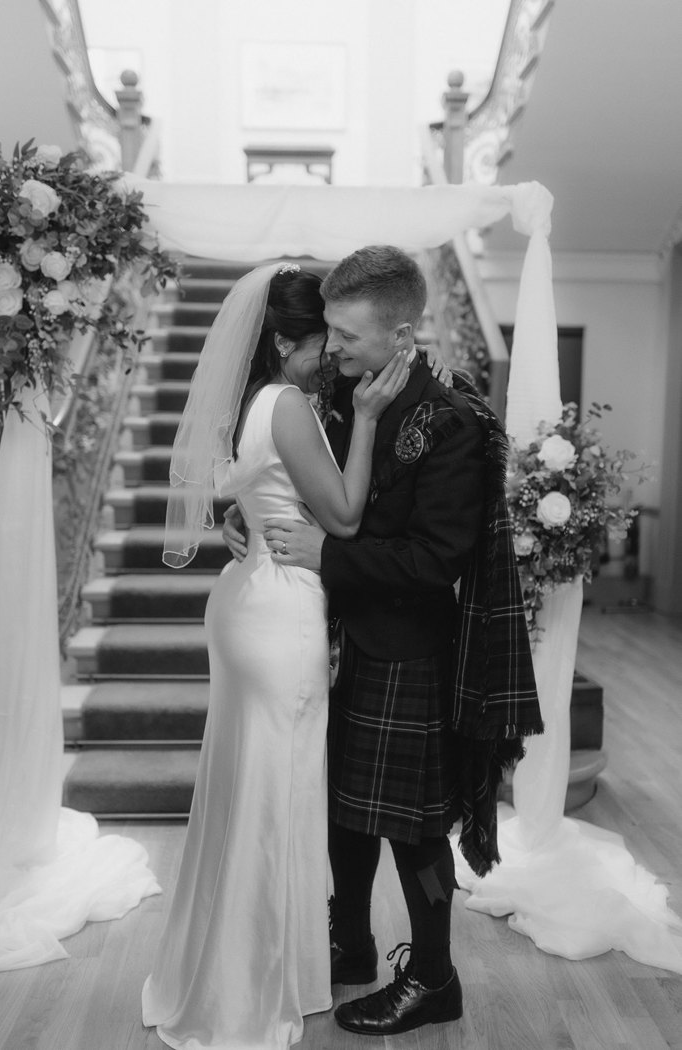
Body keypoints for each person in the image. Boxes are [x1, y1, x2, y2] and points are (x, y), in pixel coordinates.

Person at [224, 245, 542, 1037]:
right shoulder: (337, 391)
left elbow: (435, 561)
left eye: (349, 337)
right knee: (344, 813)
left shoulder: (455, 424)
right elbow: (298, 476)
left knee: (413, 825)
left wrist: (329, 554)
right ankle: (351, 938)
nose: (330, 350)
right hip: (330, 636)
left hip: (408, 646)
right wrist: (243, 512)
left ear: (403, 334)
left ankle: (435, 980)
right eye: (328, 333)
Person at [142, 261, 410, 1050]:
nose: (334, 351)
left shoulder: (247, 398)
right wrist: (364, 420)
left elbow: (236, 487)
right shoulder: (289, 404)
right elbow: (347, 517)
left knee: (248, 790)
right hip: (278, 612)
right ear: (289, 337)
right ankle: (246, 988)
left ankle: (268, 967)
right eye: (324, 335)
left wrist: (241, 516)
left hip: (244, 594)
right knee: (273, 797)